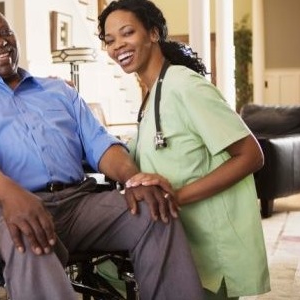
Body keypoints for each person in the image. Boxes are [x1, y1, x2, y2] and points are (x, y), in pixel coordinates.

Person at [0, 7, 204, 300]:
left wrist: (133, 178)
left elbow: (101, 145)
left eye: (5, 32)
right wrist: (12, 195)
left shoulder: (59, 91)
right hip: (11, 204)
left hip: (79, 202)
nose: (0, 42)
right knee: (25, 236)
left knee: (155, 209)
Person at [97, 0, 271, 299]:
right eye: (110, 40)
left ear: (153, 33)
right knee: (105, 269)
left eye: (127, 33)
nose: (117, 46)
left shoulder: (186, 86)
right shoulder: (154, 94)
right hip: (180, 240)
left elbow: (251, 155)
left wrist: (175, 197)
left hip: (212, 247)